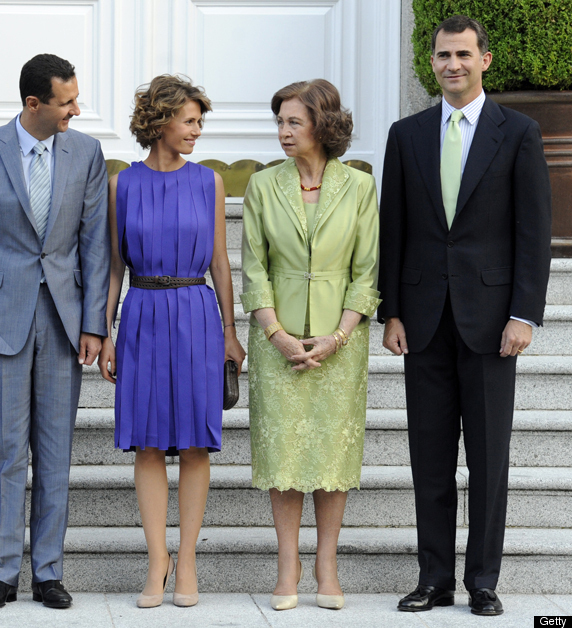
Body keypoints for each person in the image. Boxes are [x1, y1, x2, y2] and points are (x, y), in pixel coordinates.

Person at [379, 16, 551, 617]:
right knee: (429, 457)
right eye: (442, 55)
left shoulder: (520, 132)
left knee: (488, 460)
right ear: (432, 64)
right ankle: (433, 579)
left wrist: (524, 313)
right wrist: (391, 310)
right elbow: (393, 229)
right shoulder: (407, 134)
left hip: (490, 323)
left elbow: (534, 232)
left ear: (486, 60)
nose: (452, 64)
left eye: (462, 54)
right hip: (422, 319)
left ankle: (483, 581)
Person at [0, 53, 109, 611]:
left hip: (65, 320)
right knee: (7, 451)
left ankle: (48, 572)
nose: (76, 109)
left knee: (55, 450)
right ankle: (2, 572)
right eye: (67, 101)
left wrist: (96, 323)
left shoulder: (87, 153)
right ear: (33, 104)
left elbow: (95, 245)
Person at [97, 75, 244, 609]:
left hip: (196, 313)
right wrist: (107, 332)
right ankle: (157, 559)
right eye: (189, 121)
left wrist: (231, 331)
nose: (197, 131)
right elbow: (115, 266)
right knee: (150, 441)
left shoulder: (209, 182)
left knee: (196, 441)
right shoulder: (123, 184)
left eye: (200, 122)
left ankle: (187, 561)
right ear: (160, 122)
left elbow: (221, 262)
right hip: (141, 313)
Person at [240, 79, 380, 612]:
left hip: (340, 344)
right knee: (283, 457)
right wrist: (274, 333)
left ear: (322, 124)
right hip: (276, 343)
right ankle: (287, 566)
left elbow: (366, 272)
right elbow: (255, 268)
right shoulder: (262, 185)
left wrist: (339, 335)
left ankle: (326, 564)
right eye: (279, 122)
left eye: (292, 122)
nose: (282, 132)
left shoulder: (360, 187)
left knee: (331, 455)